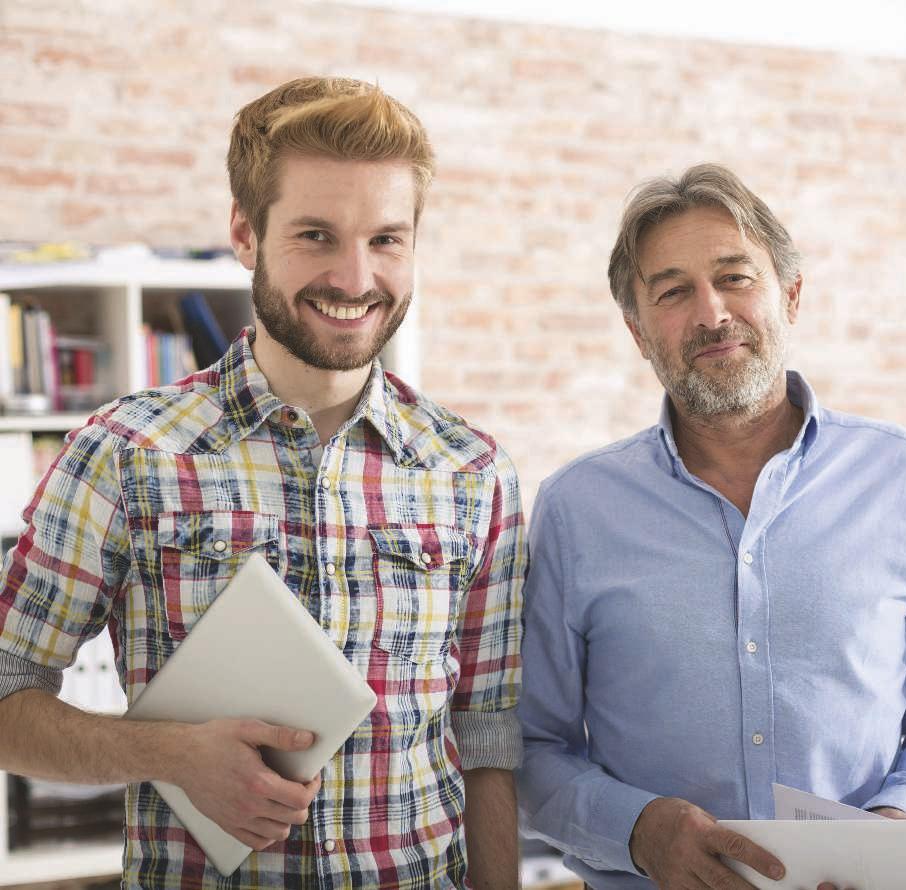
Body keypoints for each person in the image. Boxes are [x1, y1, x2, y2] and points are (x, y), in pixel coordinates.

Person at [0, 77, 525, 890]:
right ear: (245, 234)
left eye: (386, 239)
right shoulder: (124, 453)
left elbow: (487, 736)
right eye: (316, 235)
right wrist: (164, 753)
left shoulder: (472, 470)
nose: (355, 278)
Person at [516, 163, 906, 890]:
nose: (711, 313)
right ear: (638, 331)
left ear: (791, 295)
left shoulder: (905, 479)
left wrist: (896, 821)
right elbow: (531, 749)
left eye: (735, 277)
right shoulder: (575, 509)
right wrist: (638, 830)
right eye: (672, 291)